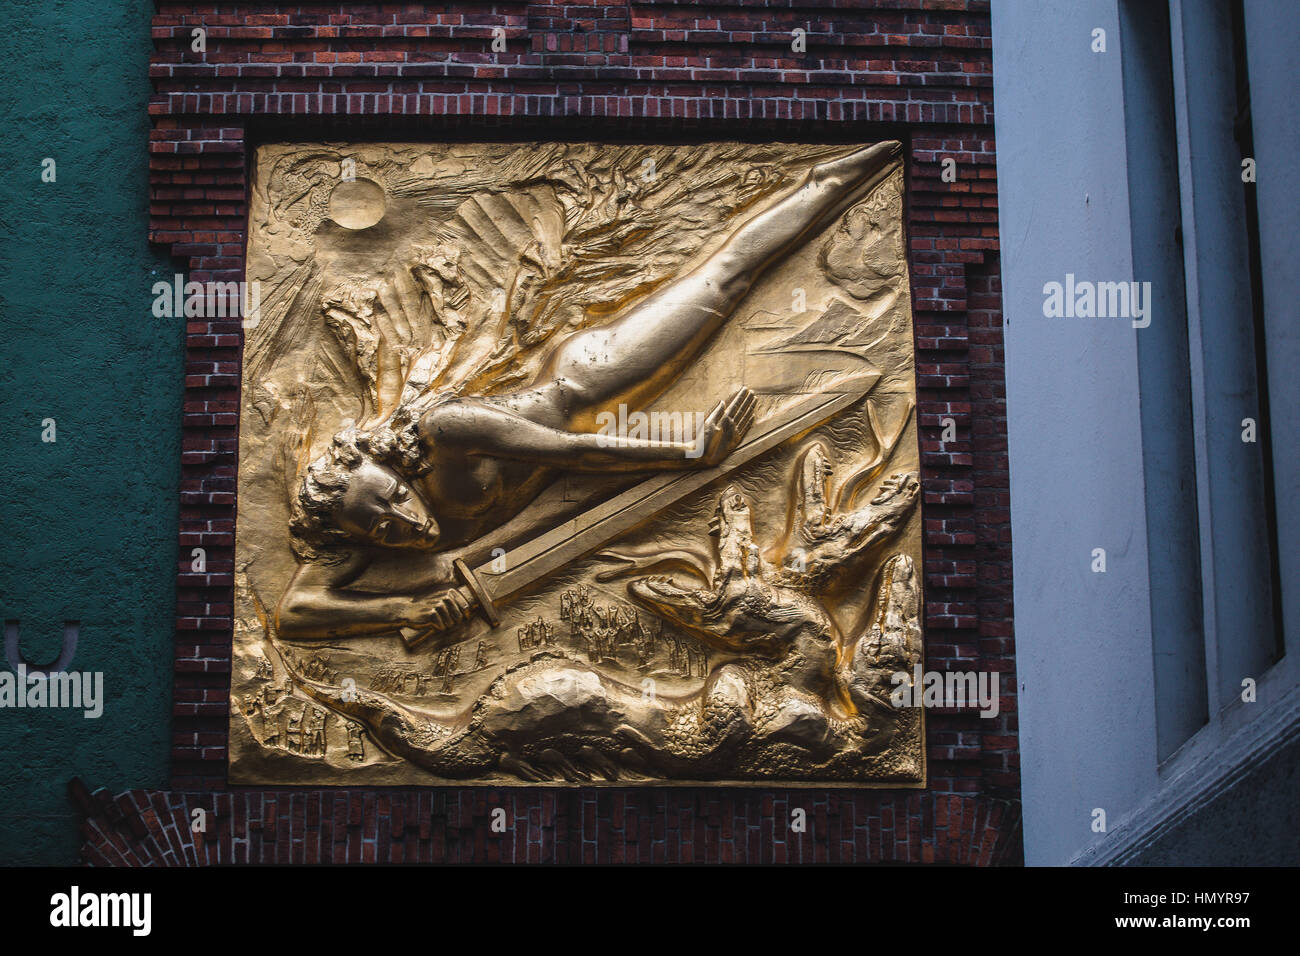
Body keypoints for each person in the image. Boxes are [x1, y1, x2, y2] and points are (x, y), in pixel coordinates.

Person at [278, 141, 901, 642]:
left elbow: (572, 450)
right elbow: (296, 611)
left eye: (392, 498)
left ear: (396, 466)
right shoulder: (352, 525)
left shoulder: (447, 432)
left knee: (724, 278)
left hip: (587, 386)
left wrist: (691, 452)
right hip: (578, 475)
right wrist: (403, 611)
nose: (405, 522)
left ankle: (840, 172)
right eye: (384, 530)